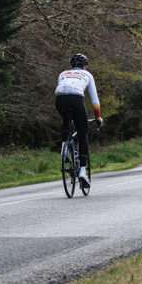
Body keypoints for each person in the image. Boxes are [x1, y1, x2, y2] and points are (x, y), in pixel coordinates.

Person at [55, 53, 102, 187]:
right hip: (76, 98)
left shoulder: (63, 73)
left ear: (71, 65)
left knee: (66, 120)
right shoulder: (88, 75)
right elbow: (95, 100)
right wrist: (98, 117)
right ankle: (82, 171)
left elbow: (63, 89)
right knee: (82, 133)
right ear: (85, 65)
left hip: (59, 98)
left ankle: (64, 147)